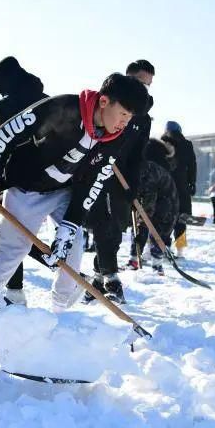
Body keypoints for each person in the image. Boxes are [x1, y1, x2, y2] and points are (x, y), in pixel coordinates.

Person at [0, 73, 148, 313]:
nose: (125, 123)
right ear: (104, 102)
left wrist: (69, 226)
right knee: (12, 252)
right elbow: (6, 135)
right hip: (27, 188)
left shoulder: (118, 136)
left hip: (65, 191)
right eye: (123, 114)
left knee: (73, 245)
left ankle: (60, 312)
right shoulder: (63, 107)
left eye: (130, 117)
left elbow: (94, 182)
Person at [83, 60, 154, 303]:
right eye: (140, 82)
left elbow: (137, 155)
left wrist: (133, 185)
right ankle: (111, 279)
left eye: (148, 85)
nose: (144, 89)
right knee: (104, 225)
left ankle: (96, 279)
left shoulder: (143, 118)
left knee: (117, 227)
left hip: (121, 177)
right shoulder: (110, 103)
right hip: (98, 170)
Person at [0, 56, 48, 304]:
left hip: (19, 178)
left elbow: (1, 142)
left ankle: (14, 290)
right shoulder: (46, 98)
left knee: (13, 237)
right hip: (52, 178)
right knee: (26, 235)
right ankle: (62, 272)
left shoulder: (8, 104)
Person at [128, 139, 178, 275]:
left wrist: (142, 216)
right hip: (166, 206)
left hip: (164, 207)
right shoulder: (158, 167)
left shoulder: (151, 169)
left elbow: (149, 194)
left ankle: (155, 265)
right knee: (143, 227)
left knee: (150, 229)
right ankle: (138, 260)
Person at [161, 121, 196, 258]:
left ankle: (163, 247)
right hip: (182, 186)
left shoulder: (161, 144)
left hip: (164, 186)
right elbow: (192, 165)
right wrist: (192, 183)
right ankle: (180, 249)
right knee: (182, 218)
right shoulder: (187, 144)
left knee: (164, 217)